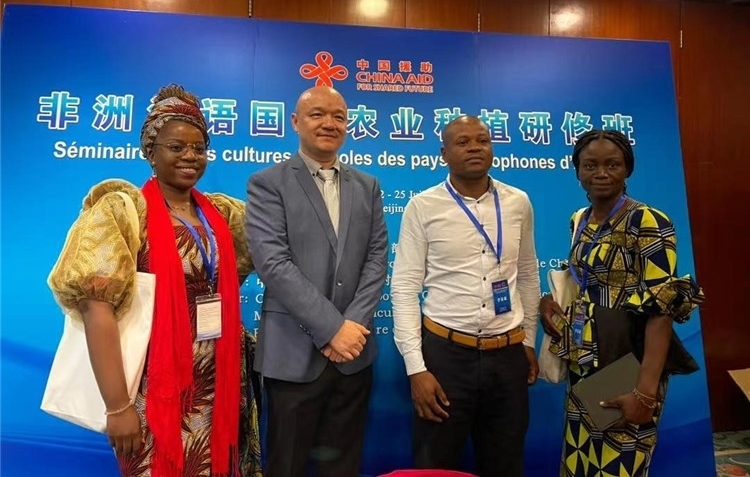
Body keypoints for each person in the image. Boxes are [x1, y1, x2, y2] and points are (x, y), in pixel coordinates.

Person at [48, 84, 260, 477]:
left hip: (218, 383)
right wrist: (117, 406)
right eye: (176, 147)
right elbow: (96, 307)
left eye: (198, 148)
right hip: (151, 385)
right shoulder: (124, 211)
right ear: (151, 151)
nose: (190, 156)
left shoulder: (222, 215)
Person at [539, 129, 705, 477]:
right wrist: (548, 301)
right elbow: (583, 278)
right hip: (585, 358)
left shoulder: (648, 221)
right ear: (577, 170)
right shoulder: (579, 219)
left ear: (627, 168)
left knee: (619, 464)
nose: (601, 173)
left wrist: (645, 393)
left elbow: (661, 310)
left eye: (612, 164)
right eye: (590, 165)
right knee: (580, 462)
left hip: (628, 360)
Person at [245, 85, 388, 477]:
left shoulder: (367, 186)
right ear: (295, 122)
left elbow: (377, 259)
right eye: (317, 114)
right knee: (286, 465)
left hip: (354, 355)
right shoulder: (268, 183)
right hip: (292, 354)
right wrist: (332, 330)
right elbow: (273, 263)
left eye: (339, 117)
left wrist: (351, 327)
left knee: (342, 466)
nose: (329, 123)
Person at [391, 115, 541, 477]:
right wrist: (417, 369)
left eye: (482, 140)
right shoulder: (423, 206)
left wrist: (528, 342)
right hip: (445, 357)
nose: (475, 148)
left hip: (507, 355)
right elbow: (405, 287)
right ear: (444, 153)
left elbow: (527, 274)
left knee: (506, 462)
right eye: (463, 142)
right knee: (435, 465)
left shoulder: (518, 202)